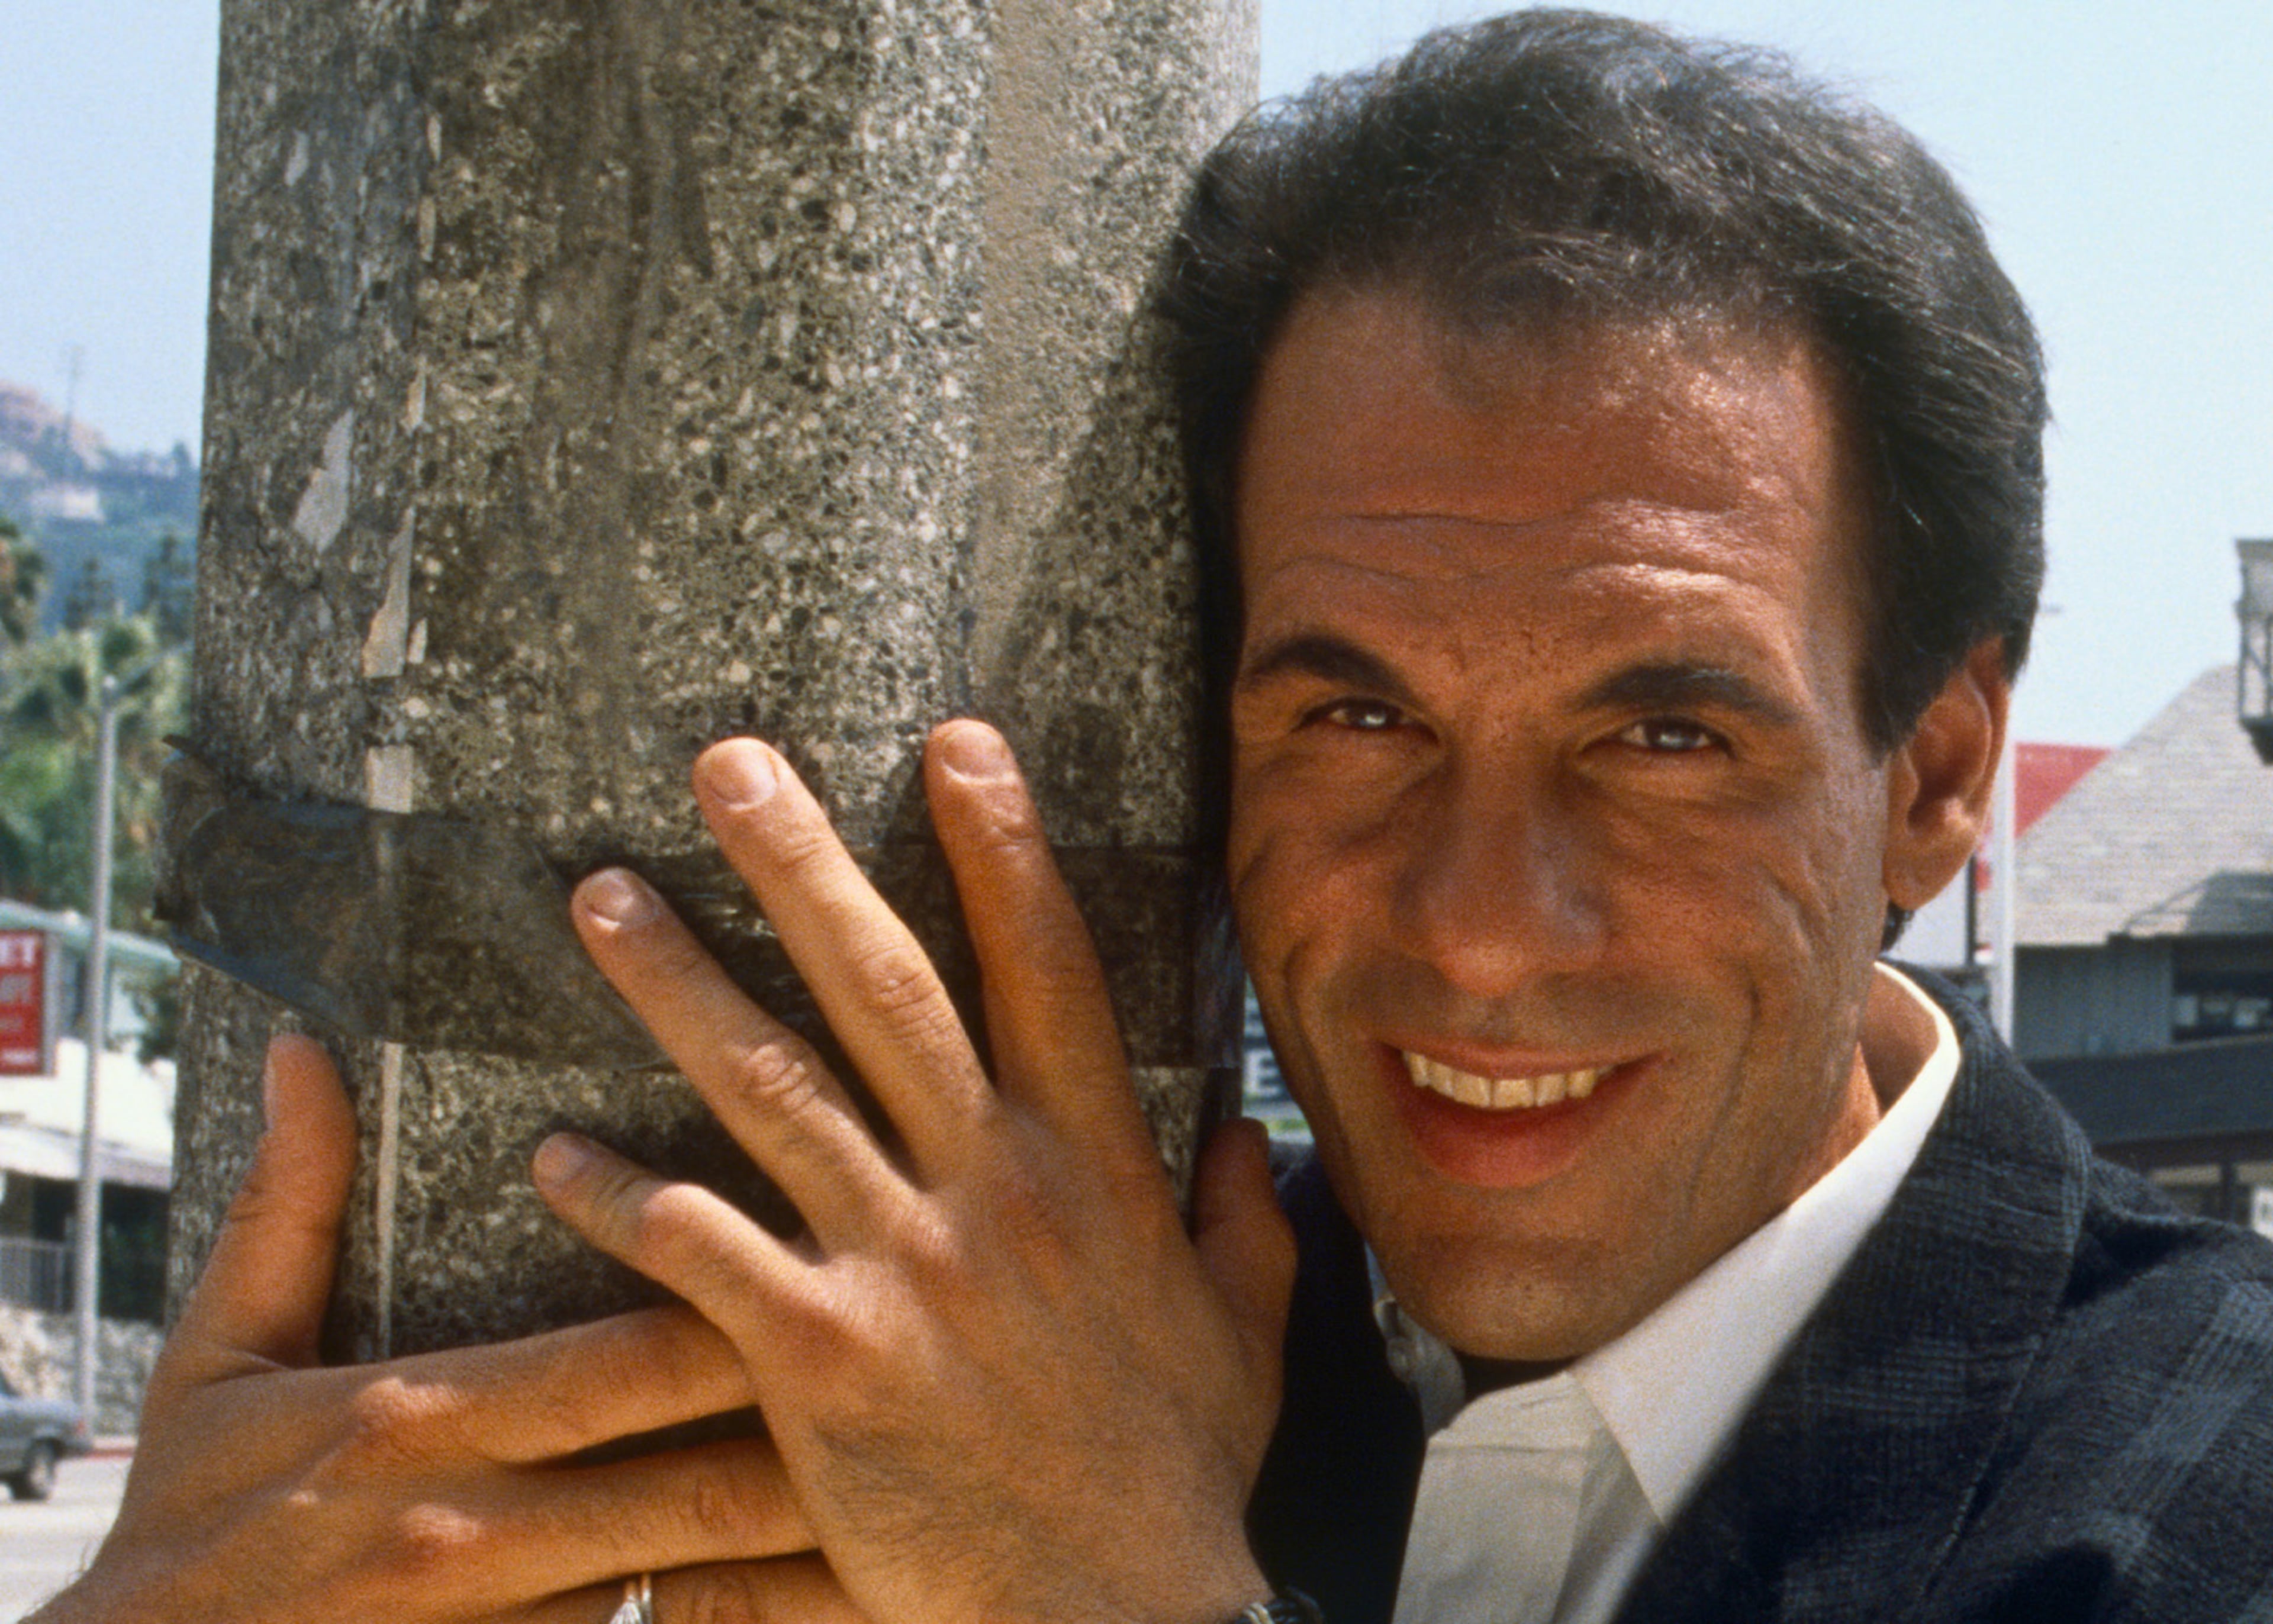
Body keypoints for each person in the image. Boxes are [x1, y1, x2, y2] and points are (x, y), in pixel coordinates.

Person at [34, 9, 2273, 1623]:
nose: (1484, 932)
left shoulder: (2199, 1500)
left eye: (1664, 740)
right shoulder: (1070, 1343)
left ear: (1942, 780)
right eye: (1360, 721)